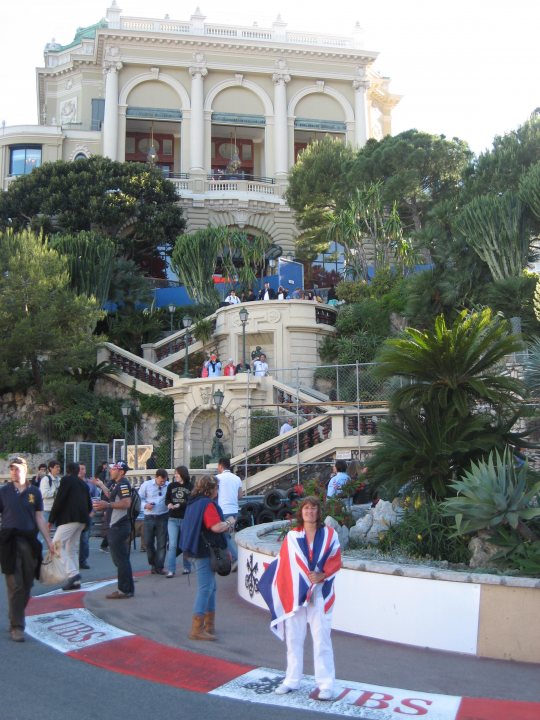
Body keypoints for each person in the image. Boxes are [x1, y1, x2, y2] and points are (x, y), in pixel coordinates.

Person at [259, 496, 341, 700]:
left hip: (320, 593)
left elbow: (336, 558)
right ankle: (292, 679)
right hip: (296, 596)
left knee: (321, 639)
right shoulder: (293, 536)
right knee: (294, 638)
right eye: (306, 508)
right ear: (301, 512)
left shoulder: (330, 534)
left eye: (313, 508)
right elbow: (285, 564)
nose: (310, 512)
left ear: (318, 512)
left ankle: (326, 684)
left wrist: (322, 575)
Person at [0, 457, 55, 642]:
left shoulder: (34, 493)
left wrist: (49, 541)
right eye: (12, 469)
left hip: (29, 541)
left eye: (17, 469)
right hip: (9, 541)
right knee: (15, 584)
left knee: (27, 585)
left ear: (25, 470)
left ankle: (15, 616)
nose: (14, 472)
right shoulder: (4, 491)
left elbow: (39, 517)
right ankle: (17, 626)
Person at [180, 475, 234, 641]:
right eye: (216, 489)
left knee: (210, 587)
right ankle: (198, 628)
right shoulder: (207, 504)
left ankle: (208, 625)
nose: (217, 492)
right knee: (206, 588)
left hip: (194, 549)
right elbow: (216, 527)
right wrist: (229, 523)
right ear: (211, 489)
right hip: (204, 551)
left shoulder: (193, 503)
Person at [93, 461, 135, 599]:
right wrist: (101, 486)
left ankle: (124, 590)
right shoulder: (117, 483)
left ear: (121, 471)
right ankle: (127, 589)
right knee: (121, 560)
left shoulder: (123, 484)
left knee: (120, 560)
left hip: (119, 526)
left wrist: (107, 504)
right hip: (117, 526)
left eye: (114, 469)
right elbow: (111, 495)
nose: (111, 471)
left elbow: (126, 503)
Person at [49, 461, 92, 591]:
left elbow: (59, 500)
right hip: (82, 520)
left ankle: (73, 574)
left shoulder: (66, 480)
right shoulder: (83, 484)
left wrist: (51, 519)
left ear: (67, 470)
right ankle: (76, 581)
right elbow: (89, 505)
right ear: (78, 470)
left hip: (69, 519)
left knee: (56, 545)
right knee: (71, 549)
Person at [138, 469, 169, 574]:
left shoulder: (168, 486)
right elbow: (139, 498)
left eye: (164, 481)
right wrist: (145, 505)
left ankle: (159, 567)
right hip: (149, 517)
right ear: (156, 477)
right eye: (161, 481)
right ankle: (153, 563)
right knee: (148, 542)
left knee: (162, 543)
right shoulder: (146, 485)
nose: (163, 483)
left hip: (163, 516)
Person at [165, 466, 192, 577]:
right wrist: (169, 504)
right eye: (175, 473)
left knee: (185, 544)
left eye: (177, 473)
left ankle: (187, 567)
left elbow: (191, 501)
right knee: (172, 545)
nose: (175, 475)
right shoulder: (171, 486)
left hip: (185, 518)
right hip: (172, 519)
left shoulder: (190, 486)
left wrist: (180, 504)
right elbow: (167, 499)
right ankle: (171, 570)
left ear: (183, 474)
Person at [216, 458, 243, 570]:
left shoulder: (217, 478)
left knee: (224, 536)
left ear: (221, 466)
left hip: (223, 510)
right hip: (234, 510)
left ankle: (236, 558)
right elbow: (240, 495)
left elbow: (214, 494)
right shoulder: (237, 478)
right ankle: (232, 559)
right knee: (227, 535)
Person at [78, 463, 100, 570]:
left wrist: (92, 512)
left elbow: (96, 498)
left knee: (85, 539)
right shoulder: (72, 483)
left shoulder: (90, 484)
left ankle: (83, 560)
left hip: (87, 515)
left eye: (83, 469)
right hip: (75, 515)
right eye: (79, 469)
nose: (81, 471)